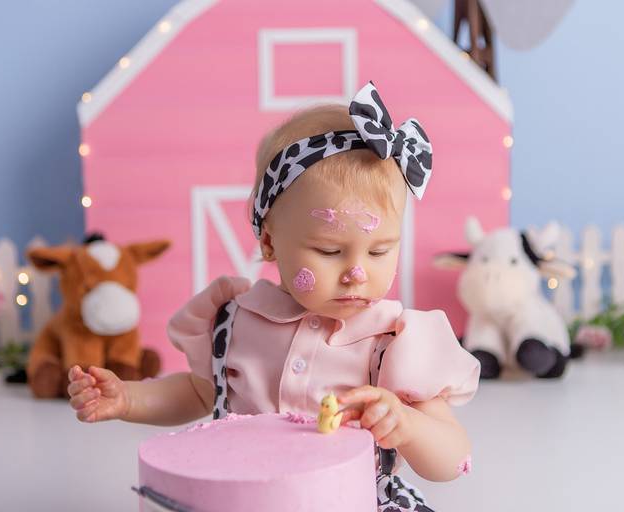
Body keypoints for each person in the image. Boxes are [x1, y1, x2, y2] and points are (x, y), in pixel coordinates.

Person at [67, 81, 480, 511]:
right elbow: (198, 394)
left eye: (380, 251)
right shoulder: (235, 320)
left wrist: (406, 424)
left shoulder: (392, 340)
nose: (357, 273)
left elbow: (453, 456)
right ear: (269, 243)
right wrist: (129, 399)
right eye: (328, 251)